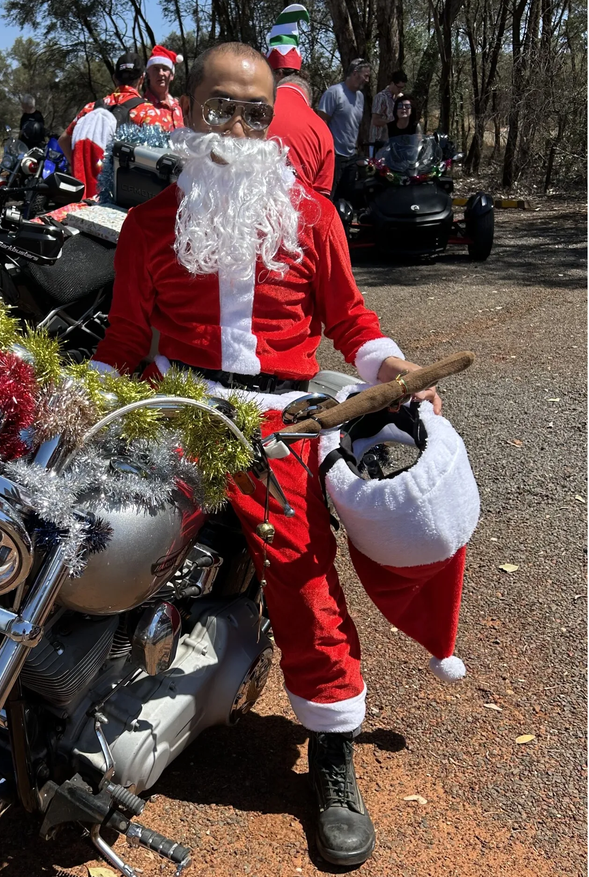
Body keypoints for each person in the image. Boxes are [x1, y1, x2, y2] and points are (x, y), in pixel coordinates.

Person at [90, 42, 468, 868]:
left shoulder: (312, 217)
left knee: (302, 575)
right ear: (187, 112)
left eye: (254, 113)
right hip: (175, 407)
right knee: (97, 531)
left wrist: (390, 366)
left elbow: (353, 321)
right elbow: (122, 341)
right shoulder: (150, 226)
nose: (237, 127)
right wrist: (73, 399)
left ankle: (330, 750)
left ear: (271, 122)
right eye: (220, 108)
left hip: (276, 422)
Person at [58, 52, 165, 197]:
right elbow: (158, 155)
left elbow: (63, 139)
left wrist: (80, 166)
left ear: (115, 78)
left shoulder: (90, 108)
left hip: (82, 197)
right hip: (118, 199)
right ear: (142, 78)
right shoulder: (147, 112)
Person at [264, 5, 334, 197]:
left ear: (276, 74)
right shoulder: (323, 131)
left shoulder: (255, 111)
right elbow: (322, 200)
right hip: (300, 214)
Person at [317, 58, 370, 200]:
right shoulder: (334, 92)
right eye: (366, 76)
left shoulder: (360, 97)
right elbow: (321, 123)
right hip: (334, 156)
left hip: (351, 156)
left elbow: (354, 125)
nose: (367, 80)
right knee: (330, 197)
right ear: (355, 73)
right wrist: (326, 153)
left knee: (347, 199)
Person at [143, 45, 185, 131]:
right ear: (148, 74)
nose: (161, 73)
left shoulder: (178, 107)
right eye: (156, 69)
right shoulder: (141, 107)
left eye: (165, 69)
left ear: (172, 76)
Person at [369, 70, 407, 151]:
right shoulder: (381, 97)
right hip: (379, 142)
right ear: (392, 83)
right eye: (398, 87)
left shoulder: (398, 98)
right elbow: (375, 120)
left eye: (402, 88)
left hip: (392, 142)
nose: (400, 90)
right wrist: (392, 123)